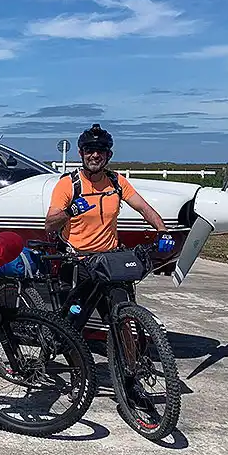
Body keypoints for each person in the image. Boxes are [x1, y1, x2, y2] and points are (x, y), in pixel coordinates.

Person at [45, 123, 175, 328]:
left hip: (110, 262)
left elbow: (144, 208)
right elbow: (50, 225)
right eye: (89, 150)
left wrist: (162, 230)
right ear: (81, 153)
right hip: (79, 261)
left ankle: (128, 356)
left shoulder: (116, 182)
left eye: (100, 151)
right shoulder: (69, 184)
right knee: (72, 324)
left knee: (120, 315)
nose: (95, 155)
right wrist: (70, 211)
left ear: (109, 155)